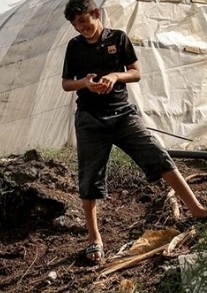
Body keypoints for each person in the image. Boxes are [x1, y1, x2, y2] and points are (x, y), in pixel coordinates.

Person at [61, 0, 207, 263]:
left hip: (122, 115)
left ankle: (196, 209)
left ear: (96, 14)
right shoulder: (74, 47)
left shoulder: (118, 38)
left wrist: (115, 77)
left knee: (157, 153)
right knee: (89, 178)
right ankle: (95, 238)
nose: (80, 28)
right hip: (90, 119)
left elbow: (136, 73)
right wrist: (85, 83)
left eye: (83, 21)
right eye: (75, 24)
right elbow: (66, 83)